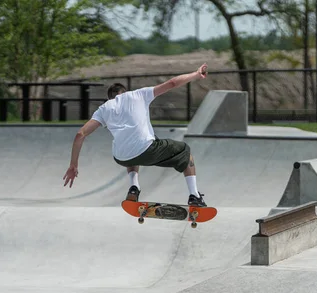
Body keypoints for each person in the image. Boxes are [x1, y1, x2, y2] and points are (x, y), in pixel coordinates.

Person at [63, 63, 208, 207]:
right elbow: (172, 83)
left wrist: (73, 165)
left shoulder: (103, 109)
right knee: (185, 151)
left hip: (121, 157)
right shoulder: (139, 94)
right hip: (147, 149)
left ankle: (134, 187)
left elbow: (80, 134)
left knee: (130, 148)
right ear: (125, 92)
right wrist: (196, 74)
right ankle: (194, 195)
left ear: (110, 98)